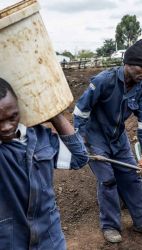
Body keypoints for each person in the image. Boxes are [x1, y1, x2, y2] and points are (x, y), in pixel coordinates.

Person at [73, 39, 142, 243]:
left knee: (132, 177)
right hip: (95, 137)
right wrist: (79, 141)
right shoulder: (103, 80)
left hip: (118, 139)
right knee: (108, 180)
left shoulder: (141, 88)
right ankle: (110, 226)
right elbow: (81, 110)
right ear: (128, 64)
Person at [0, 78, 89, 250]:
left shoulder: (40, 137)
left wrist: (53, 111)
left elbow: (79, 158)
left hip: (50, 238)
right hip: (10, 242)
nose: (5, 127)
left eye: (13, 116)